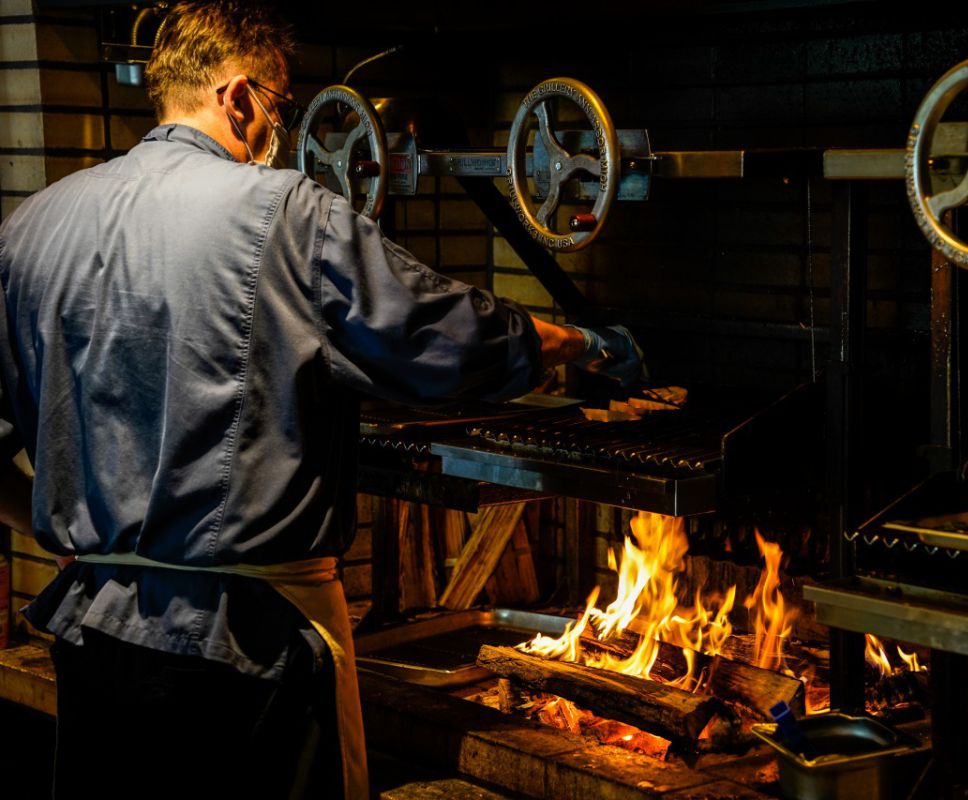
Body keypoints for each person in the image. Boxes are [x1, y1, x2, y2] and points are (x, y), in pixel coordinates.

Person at [0, 2, 642, 798]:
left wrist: (62, 534)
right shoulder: (285, 212)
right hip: (249, 643)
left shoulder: (33, 227)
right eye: (278, 107)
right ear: (238, 97)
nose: (277, 130)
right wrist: (579, 343)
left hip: (93, 633)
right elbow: (437, 339)